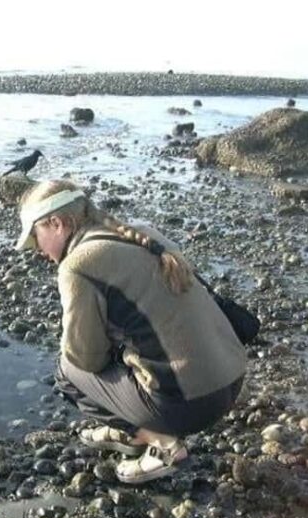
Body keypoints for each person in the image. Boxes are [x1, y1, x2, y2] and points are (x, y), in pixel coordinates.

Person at [15, 180, 246, 484]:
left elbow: (85, 359)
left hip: (190, 405)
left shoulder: (78, 265)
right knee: (128, 340)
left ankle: (161, 443)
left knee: (66, 371)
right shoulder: (144, 234)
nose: (37, 249)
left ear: (57, 223)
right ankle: (129, 432)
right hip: (231, 380)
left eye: (35, 237)